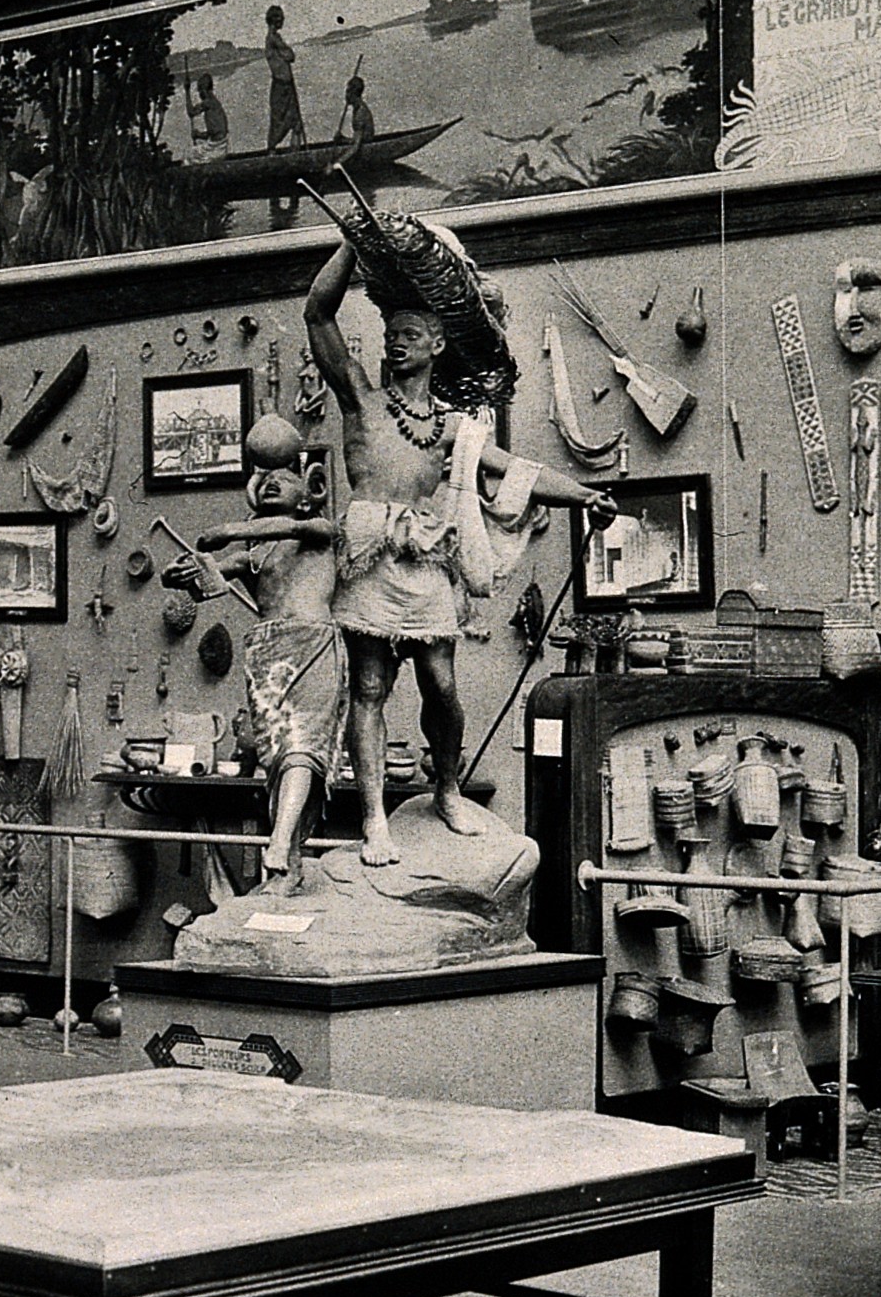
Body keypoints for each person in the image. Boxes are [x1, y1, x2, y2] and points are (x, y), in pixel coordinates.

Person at [305, 226, 613, 864]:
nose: (397, 343)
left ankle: (446, 788)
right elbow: (317, 311)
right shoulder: (361, 399)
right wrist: (353, 247)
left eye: (411, 334)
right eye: (392, 335)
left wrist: (585, 496)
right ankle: (374, 822)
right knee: (369, 687)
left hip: (425, 562)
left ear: (438, 344)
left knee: (441, 684)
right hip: (368, 557)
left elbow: (515, 471)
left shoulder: (452, 429)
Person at [183, 418, 345, 882]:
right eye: (263, 477)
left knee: (302, 748)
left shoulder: (317, 529)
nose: (272, 482)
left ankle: (277, 843)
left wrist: (227, 530)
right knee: (276, 758)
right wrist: (187, 573)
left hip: (312, 643)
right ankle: (289, 867)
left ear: (310, 487)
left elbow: (297, 531)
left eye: (285, 476)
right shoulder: (255, 552)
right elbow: (212, 575)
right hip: (267, 654)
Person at [262, 5, 306, 149]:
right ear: (273, 20)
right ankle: (272, 153)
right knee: (278, 123)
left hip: (286, 85)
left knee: (296, 122)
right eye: (280, 18)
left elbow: (289, 56)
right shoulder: (272, 39)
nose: (283, 21)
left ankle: (296, 153)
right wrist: (286, 52)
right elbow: (291, 56)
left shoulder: (276, 38)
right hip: (281, 87)